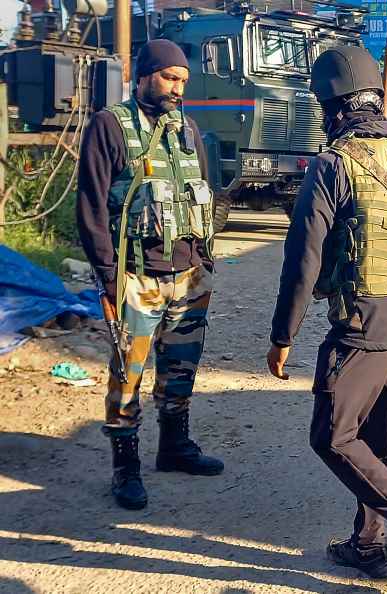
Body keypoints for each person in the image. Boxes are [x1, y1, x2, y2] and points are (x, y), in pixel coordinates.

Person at [266, 46, 387, 586]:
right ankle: (368, 545)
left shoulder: (331, 165)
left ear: (330, 107)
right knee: (370, 436)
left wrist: (283, 335)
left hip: (361, 329)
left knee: (331, 436)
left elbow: (302, 258)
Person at [76, 39, 223, 511]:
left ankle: (174, 449)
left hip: (188, 275)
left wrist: (202, 259)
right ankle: (126, 468)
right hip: (135, 276)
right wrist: (107, 277)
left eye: (183, 80)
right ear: (145, 75)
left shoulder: (188, 128)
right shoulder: (109, 126)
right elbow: (92, 209)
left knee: (181, 369)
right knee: (128, 375)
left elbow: (202, 190)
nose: (177, 89)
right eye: (169, 78)